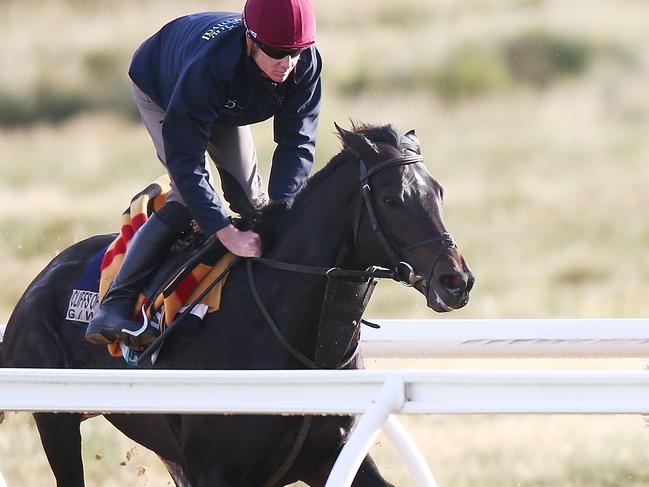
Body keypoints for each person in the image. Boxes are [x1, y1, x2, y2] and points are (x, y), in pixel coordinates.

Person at [85, 0, 321, 347]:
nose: (287, 64)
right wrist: (225, 232)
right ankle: (116, 303)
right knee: (191, 199)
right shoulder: (210, 66)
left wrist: (281, 213)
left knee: (253, 203)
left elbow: (297, 143)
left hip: (224, 102)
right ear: (250, 40)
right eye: (276, 52)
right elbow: (186, 162)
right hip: (164, 85)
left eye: (296, 52)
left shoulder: (306, 66)